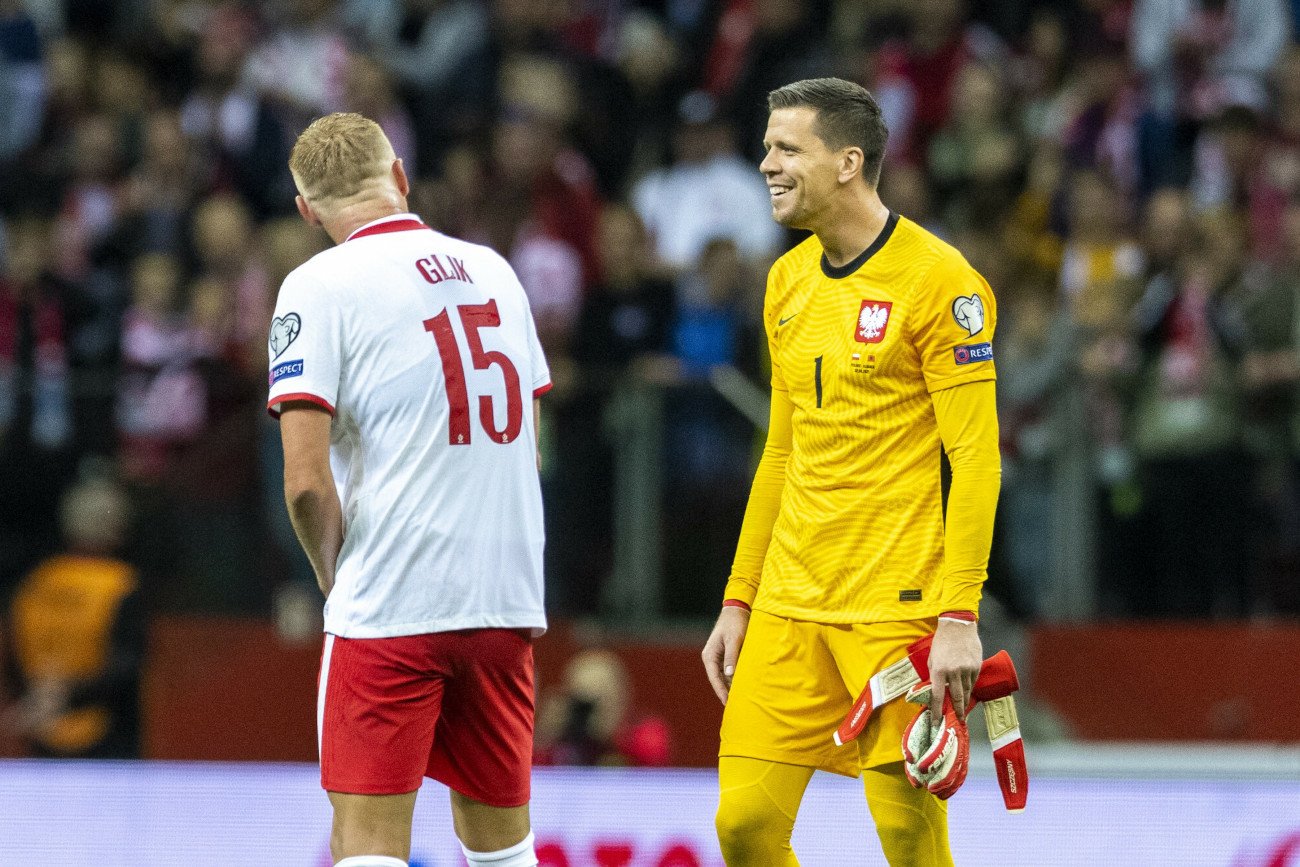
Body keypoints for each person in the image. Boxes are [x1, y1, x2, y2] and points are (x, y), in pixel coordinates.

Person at [701, 78, 1002, 865]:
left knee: (906, 830)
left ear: (847, 161)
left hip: (893, 605)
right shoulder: (787, 282)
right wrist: (740, 595)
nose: (765, 163)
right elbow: (781, 449)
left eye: (784, 148)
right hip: (790, 604)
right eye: (767, 146)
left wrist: (959, 615)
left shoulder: (942, 283)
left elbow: (975, 457)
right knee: (743, 826)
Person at [269, 113, 550, 867]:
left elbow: (304, 483)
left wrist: (337, 579)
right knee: (502, 848)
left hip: (393, 598)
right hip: (505, 593)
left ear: (307, 210)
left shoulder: (316, 284)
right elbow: (526, 430)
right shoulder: (496, 270)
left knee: (365, 847)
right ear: (399, 175)